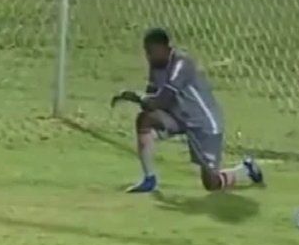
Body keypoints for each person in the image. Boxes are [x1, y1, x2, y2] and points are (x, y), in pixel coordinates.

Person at [112, 28, 264, 194]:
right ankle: (149, 180)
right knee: (145, 120)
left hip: (204, 124)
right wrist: (141, 99)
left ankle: (245, 170)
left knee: (211, 184)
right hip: (178, 118)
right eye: (146, 52)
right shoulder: (156, 65)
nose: (149, 56)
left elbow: (162, 100)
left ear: (165, 48)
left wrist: (135, 97)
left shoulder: (181, 64)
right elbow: (152, 98)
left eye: (152, 52)